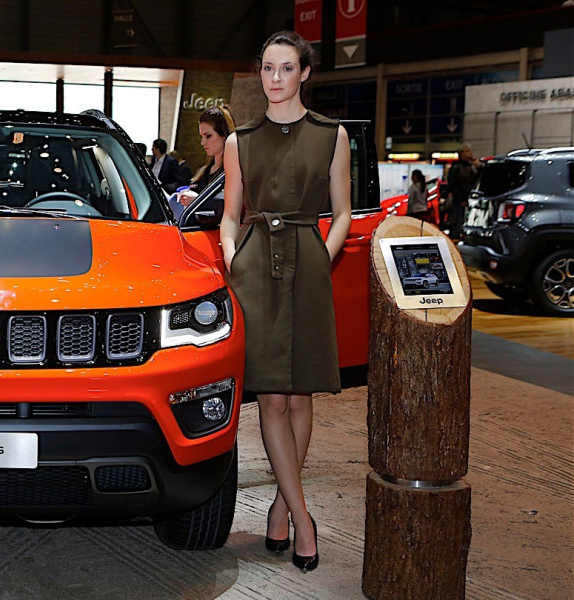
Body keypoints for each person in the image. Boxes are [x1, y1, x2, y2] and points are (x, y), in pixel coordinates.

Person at [220, 30, 351, 572]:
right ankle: (303, 516)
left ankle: (280, 505)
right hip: (255, 267)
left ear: (304, 73)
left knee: (301, 397)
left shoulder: (331, 134)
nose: (275, 79)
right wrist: (233, 257)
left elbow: (341, 211)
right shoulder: (239, 140)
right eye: (268, 69)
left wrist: (323, 254)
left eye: (286, 68)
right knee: (272, 397)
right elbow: (229, 214)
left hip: (308, 262)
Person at [173, 106, 237, 217]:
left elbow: (231, 207)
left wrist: (198, 201)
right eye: (202, 136)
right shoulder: (204, 171)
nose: (203, 142)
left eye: (208, 136)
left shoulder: (233, 172)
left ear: (224, 136)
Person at [445, 144, 481, 238]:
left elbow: (478, 181)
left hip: (471, 200)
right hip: (460, 201)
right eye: (467, 151)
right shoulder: (456, 167)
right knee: (458, 222)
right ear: (461, 153)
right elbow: (453, 185)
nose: (471, 153)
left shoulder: (472, 166)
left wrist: (479, 167)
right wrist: (461, 199)